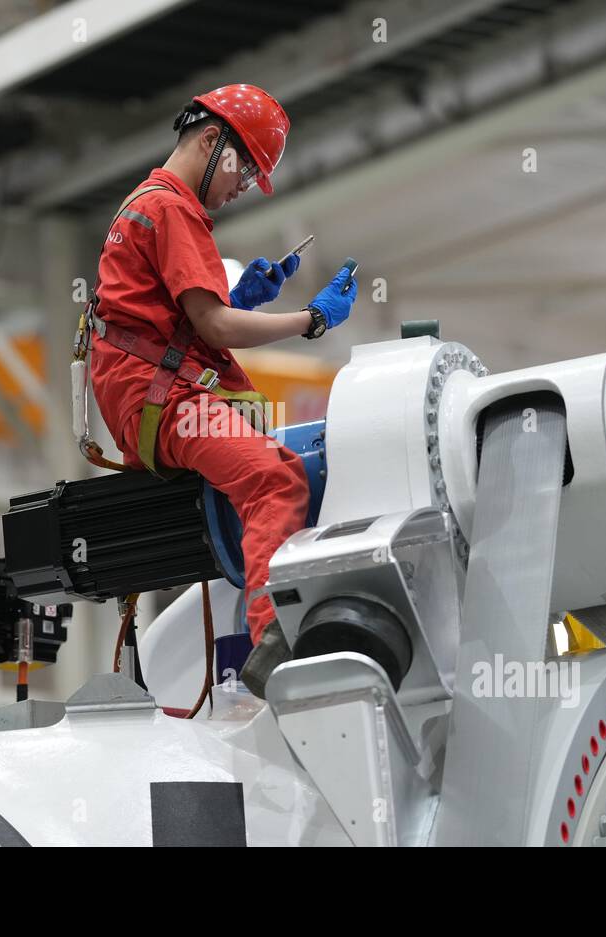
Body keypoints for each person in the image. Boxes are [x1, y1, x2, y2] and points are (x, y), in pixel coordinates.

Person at [85, 83, 359, 697]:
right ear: (213, 140)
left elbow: (172, 321)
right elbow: (214, 328)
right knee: (279, 478)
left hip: (147, 392)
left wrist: (242, 298)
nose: (242, 187)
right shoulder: (175, 210)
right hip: (163, 399)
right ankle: (272, 638)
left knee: (270, 469)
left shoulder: (148, 203)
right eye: (245, 170)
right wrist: (309, 321)